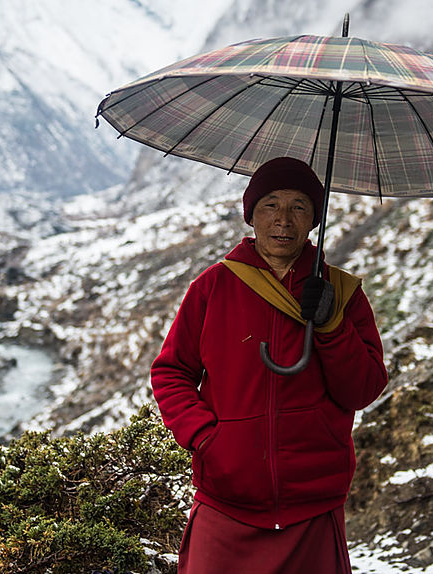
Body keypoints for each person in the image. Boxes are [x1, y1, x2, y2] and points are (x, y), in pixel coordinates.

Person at [151, 156, 388, 573]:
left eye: (299, 206)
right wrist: (206, 437)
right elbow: (171, 372)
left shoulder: (342, 292)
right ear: (251, 216)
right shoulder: (213, 287)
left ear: (315, 218)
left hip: (312, 503)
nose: (283, 219)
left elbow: (363, 389)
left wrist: (332, 324)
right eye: (270, 204)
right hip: (226, 500)